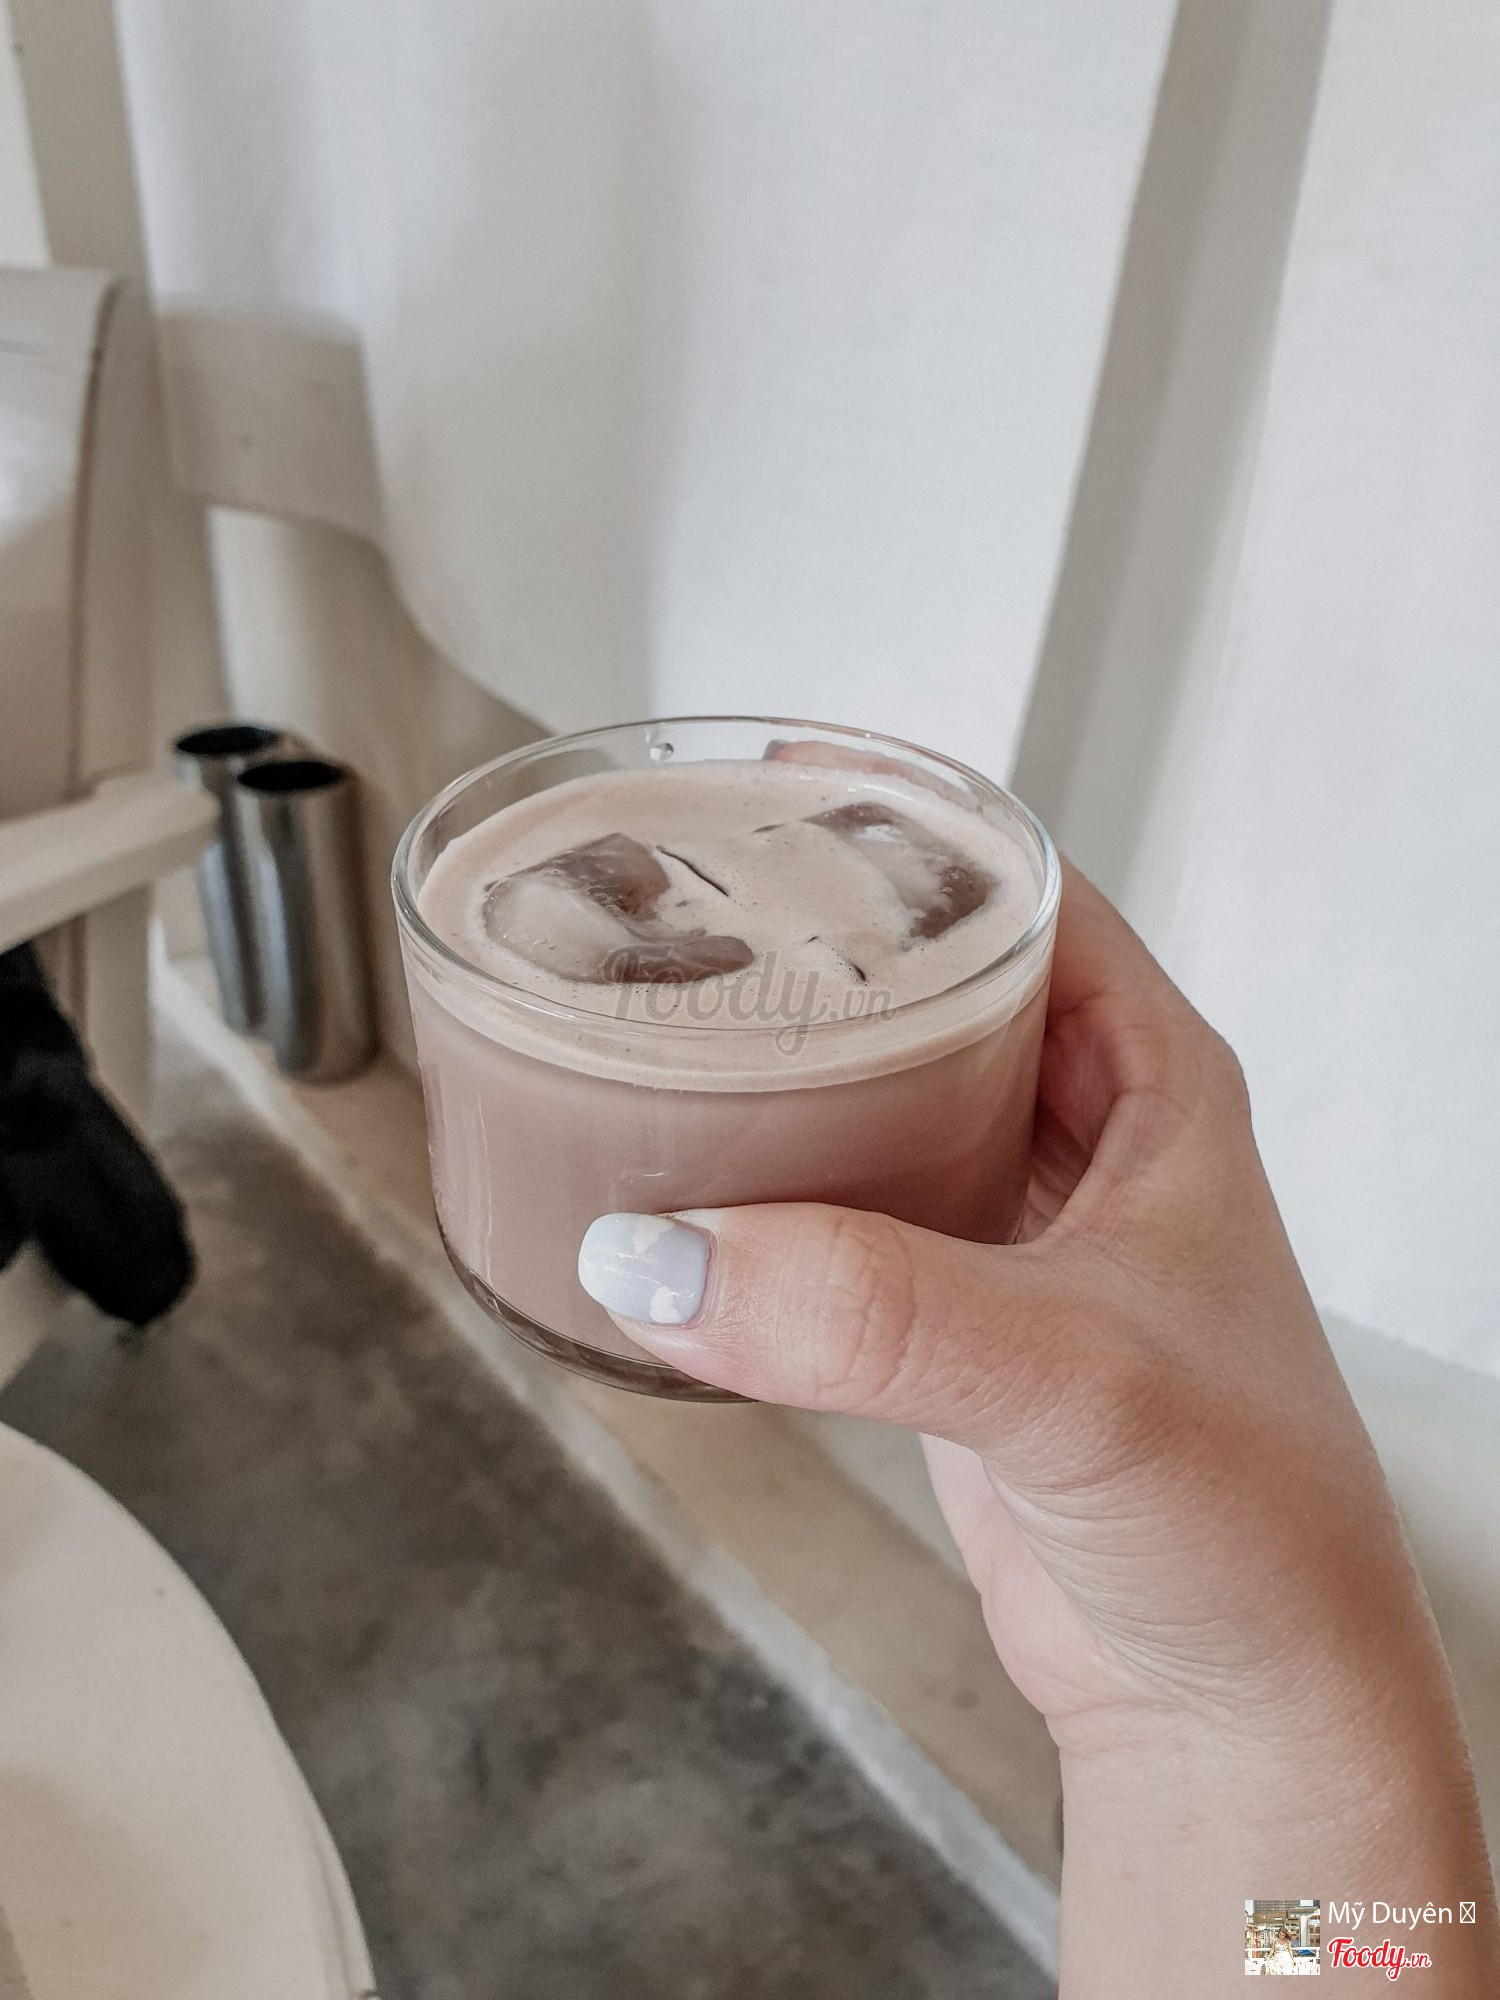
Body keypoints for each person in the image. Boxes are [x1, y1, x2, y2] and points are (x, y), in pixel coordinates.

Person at [577, 863, 1500, 1994]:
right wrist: (1217, 1722)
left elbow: (1337, 1948)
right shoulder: (1341, 1930)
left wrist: (1225, 1718)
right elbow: (1333, 1949)